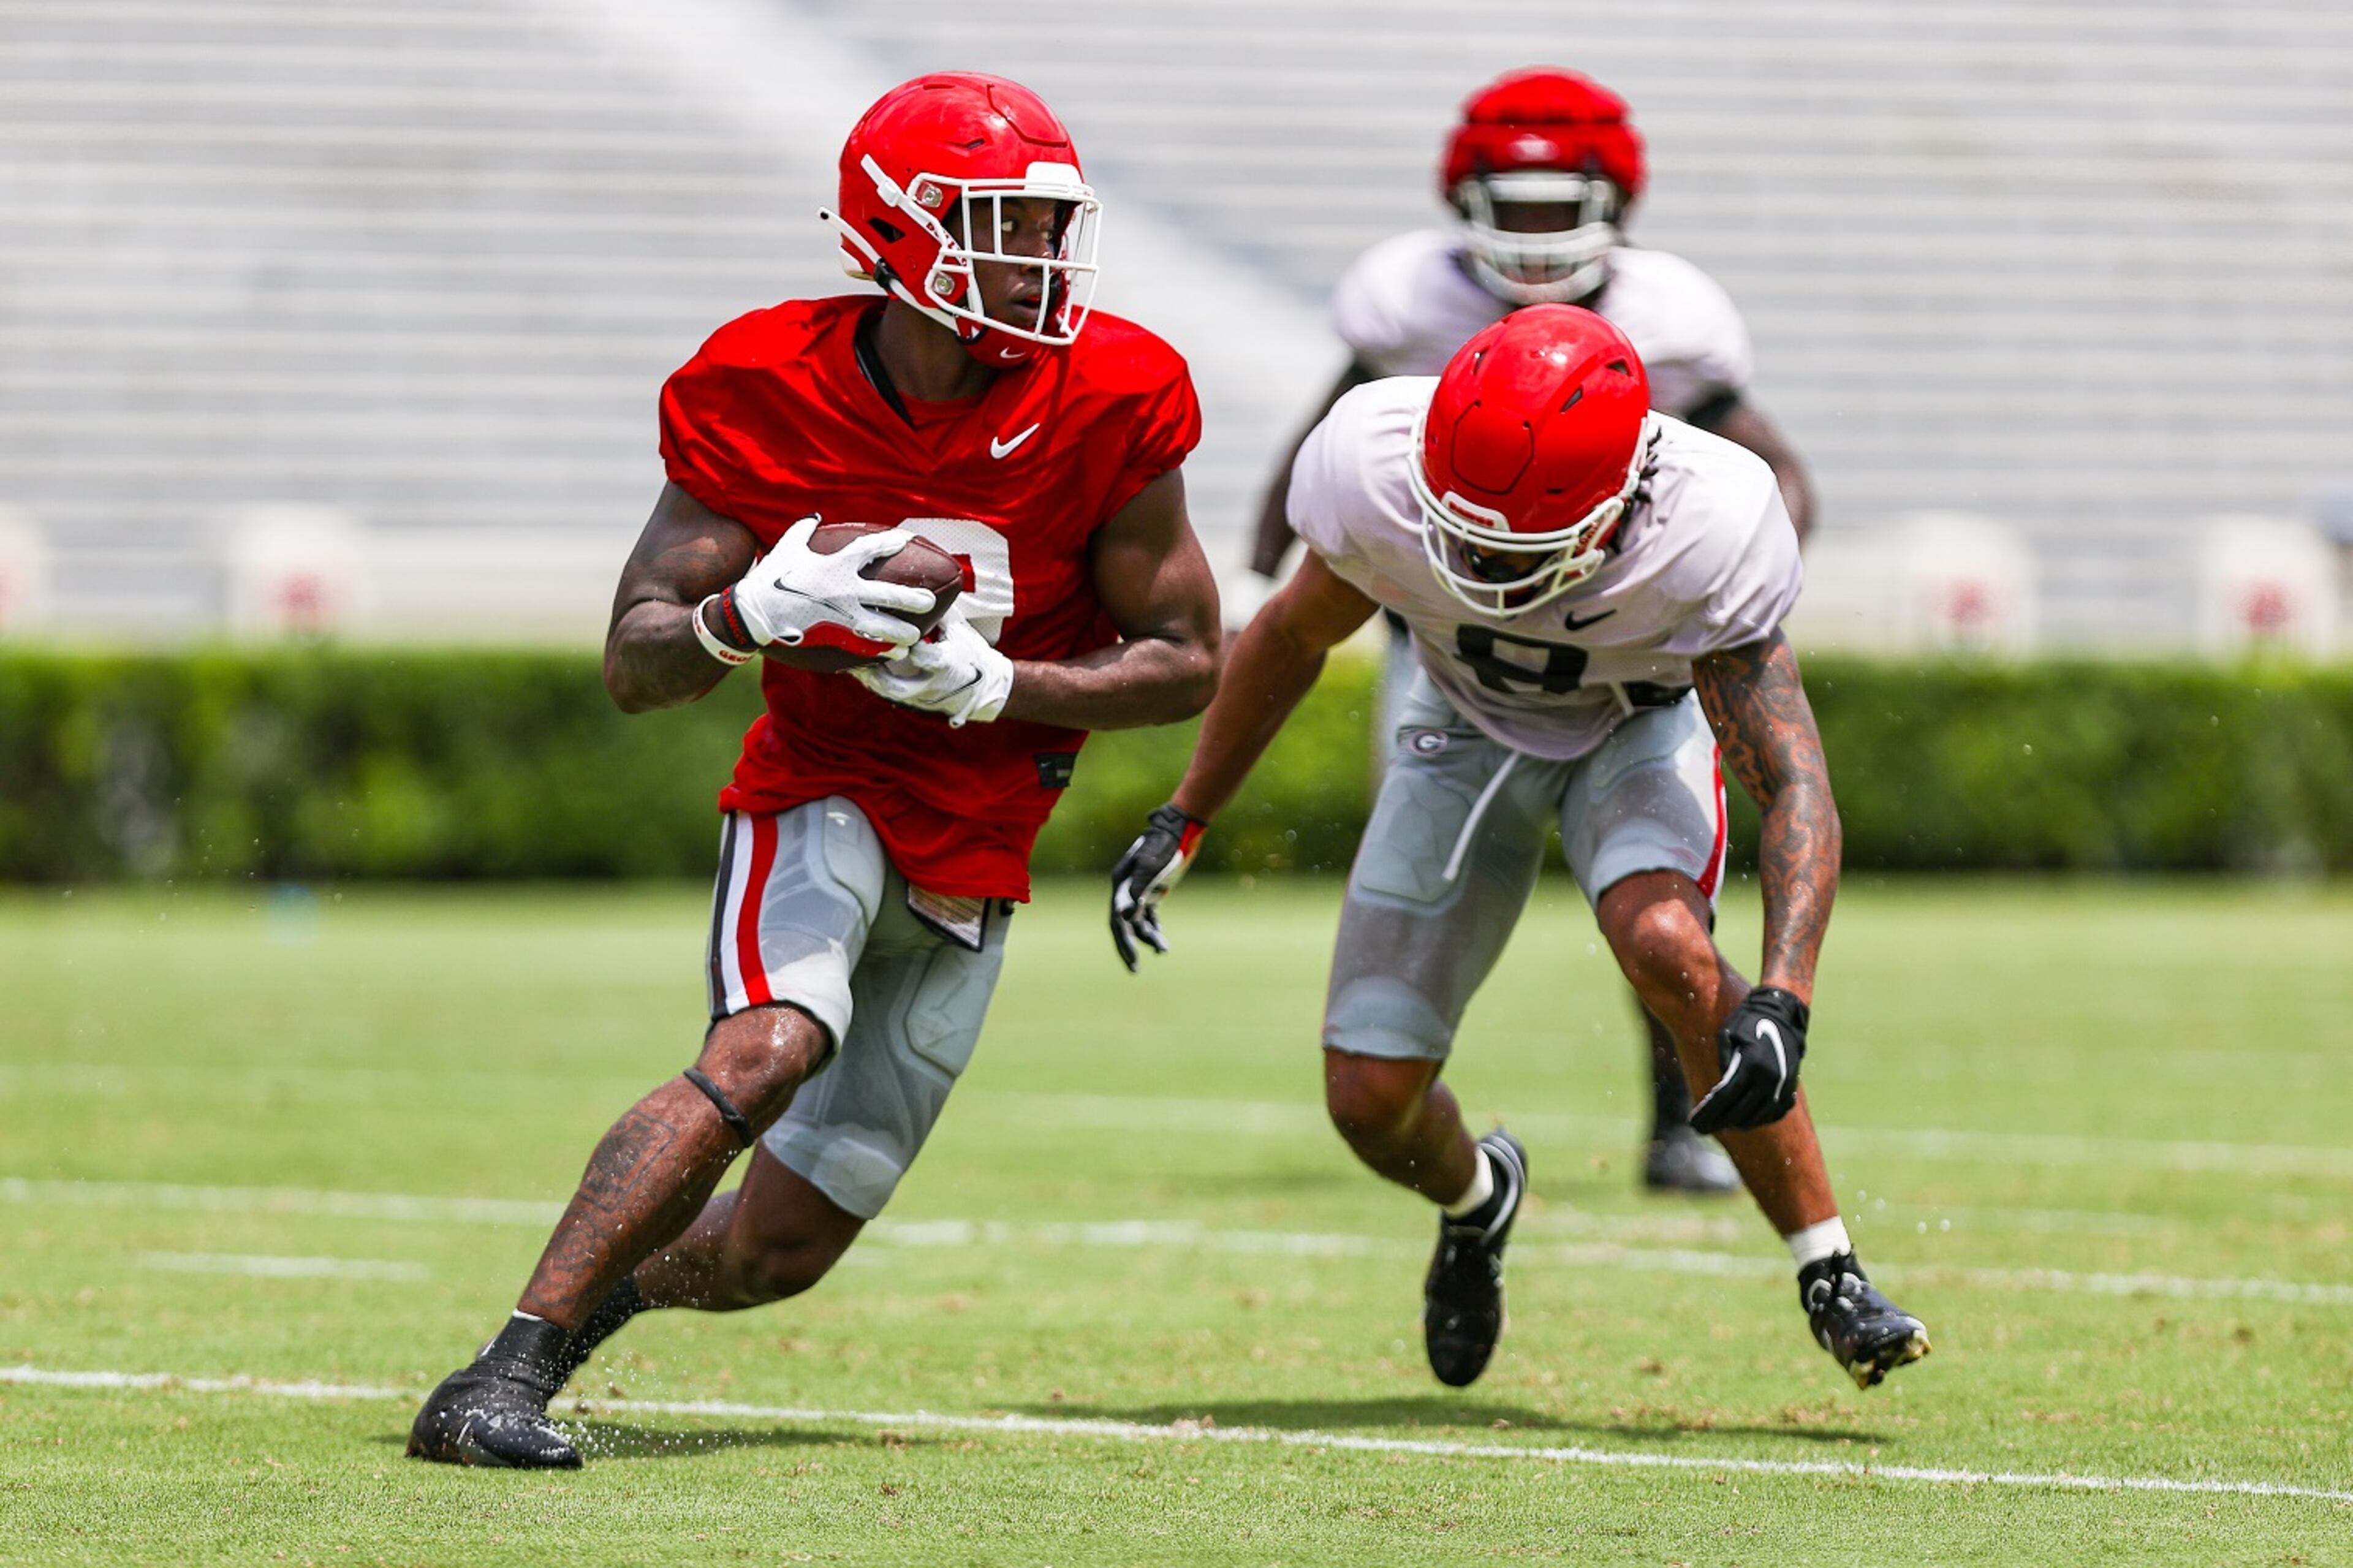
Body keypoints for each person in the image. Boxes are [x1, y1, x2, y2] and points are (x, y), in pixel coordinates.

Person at [409, 72, 1220, 1469]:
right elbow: (635, 656)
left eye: (1046, 229)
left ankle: (575, 1322)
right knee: (772, 1042)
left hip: (982, 841)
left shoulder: (1118, 391)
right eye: (1000, 226)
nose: (1036, 261)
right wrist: (744, 618)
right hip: (822, 791)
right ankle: (496, 1376)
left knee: (774, 1252)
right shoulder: (765, 381)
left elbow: (1192, 653)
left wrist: (1009, 684)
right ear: (895, 234)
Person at [1112, 306, 1927, 1393]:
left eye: (1519, 544)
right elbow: (1293, 634)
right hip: (1460, 734)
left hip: (1634, 729)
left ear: (1625, 501)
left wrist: (1783, 998)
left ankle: (1830, 1271)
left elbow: (1791, 781)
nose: (1485, 564)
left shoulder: (1710, 522)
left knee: (1671, 951)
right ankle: (1479, 1201)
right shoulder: (1376, 468)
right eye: (1465, 532)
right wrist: (1187, 813)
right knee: (1367, 1099)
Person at [1246, 67, 1816, 1195]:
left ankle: (1680, 1119)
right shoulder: (1410, 309)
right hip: (1447, 647)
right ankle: (1406, 1096)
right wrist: (1255, 575)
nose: (1542, 236)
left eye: (1564, 210)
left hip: (1616, 649)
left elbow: (1772, 469)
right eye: (1519, 209)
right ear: (1467, 203)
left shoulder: (1670, 325)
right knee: (1425, 873)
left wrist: (1729, 592)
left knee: (1658, 909)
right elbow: (1321, 445)